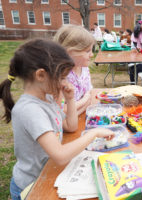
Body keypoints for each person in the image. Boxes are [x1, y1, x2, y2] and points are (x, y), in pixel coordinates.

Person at [0, 39, 114, 200]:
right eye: (62, 78)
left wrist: (70, 99)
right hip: (32, 187)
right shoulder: (30, 110)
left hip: (49, 173)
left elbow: (70, 126)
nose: (65, 83)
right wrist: (93, 134)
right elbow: (59, 155)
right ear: (41, 75)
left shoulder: (47, 98)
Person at [53, 24, 94, 115]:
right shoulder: (61, 76)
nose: (92, 55)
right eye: (87, 51)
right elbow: (62, 110)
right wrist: (84, 101)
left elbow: (89, 92)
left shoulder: (84, 68)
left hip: (82, 117)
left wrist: (80, 108)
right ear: (69, 52)